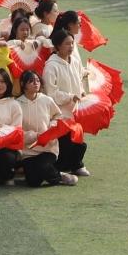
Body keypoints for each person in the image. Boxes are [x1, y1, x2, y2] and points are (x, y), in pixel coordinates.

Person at [42, 28, 90, 178]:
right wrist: (70, 97)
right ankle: (63, 167)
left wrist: (81, 92)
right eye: (67, 44)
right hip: (60, 113)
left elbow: (78, 80)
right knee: (66, 143)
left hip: (75, 110)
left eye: (72, 43)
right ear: (57, 46)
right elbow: (51, 93)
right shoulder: (51, 66)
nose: (70, 46)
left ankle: (76, 164)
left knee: (79, 140)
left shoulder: (74, 61)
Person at [17, 70, 75, 187]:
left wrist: (52, 125)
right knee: (33, 182)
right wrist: (33, 136)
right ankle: (49, 173)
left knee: (42, 166)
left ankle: (58, 177)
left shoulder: (47, 100)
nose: (36, 83)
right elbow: (16, 129)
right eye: (31, 81)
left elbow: (58, 115)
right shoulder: (17, 104)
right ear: (23, 84)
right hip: (28, 151)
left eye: (38, 81)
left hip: (48, 148)